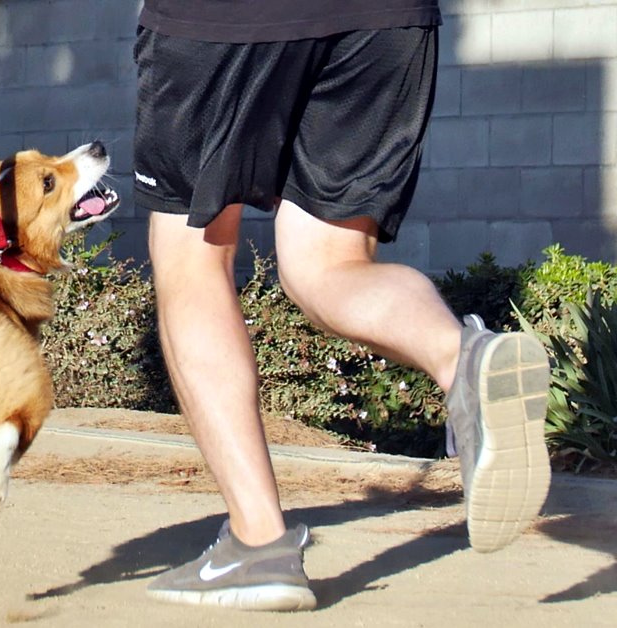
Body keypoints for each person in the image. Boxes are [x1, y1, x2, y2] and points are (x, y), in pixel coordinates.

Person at [131, 0, 552, 612]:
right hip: (383, 18)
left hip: (218, 20)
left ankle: (258, 544)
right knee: (329, 265)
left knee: (193, 258)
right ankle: (462, 356)